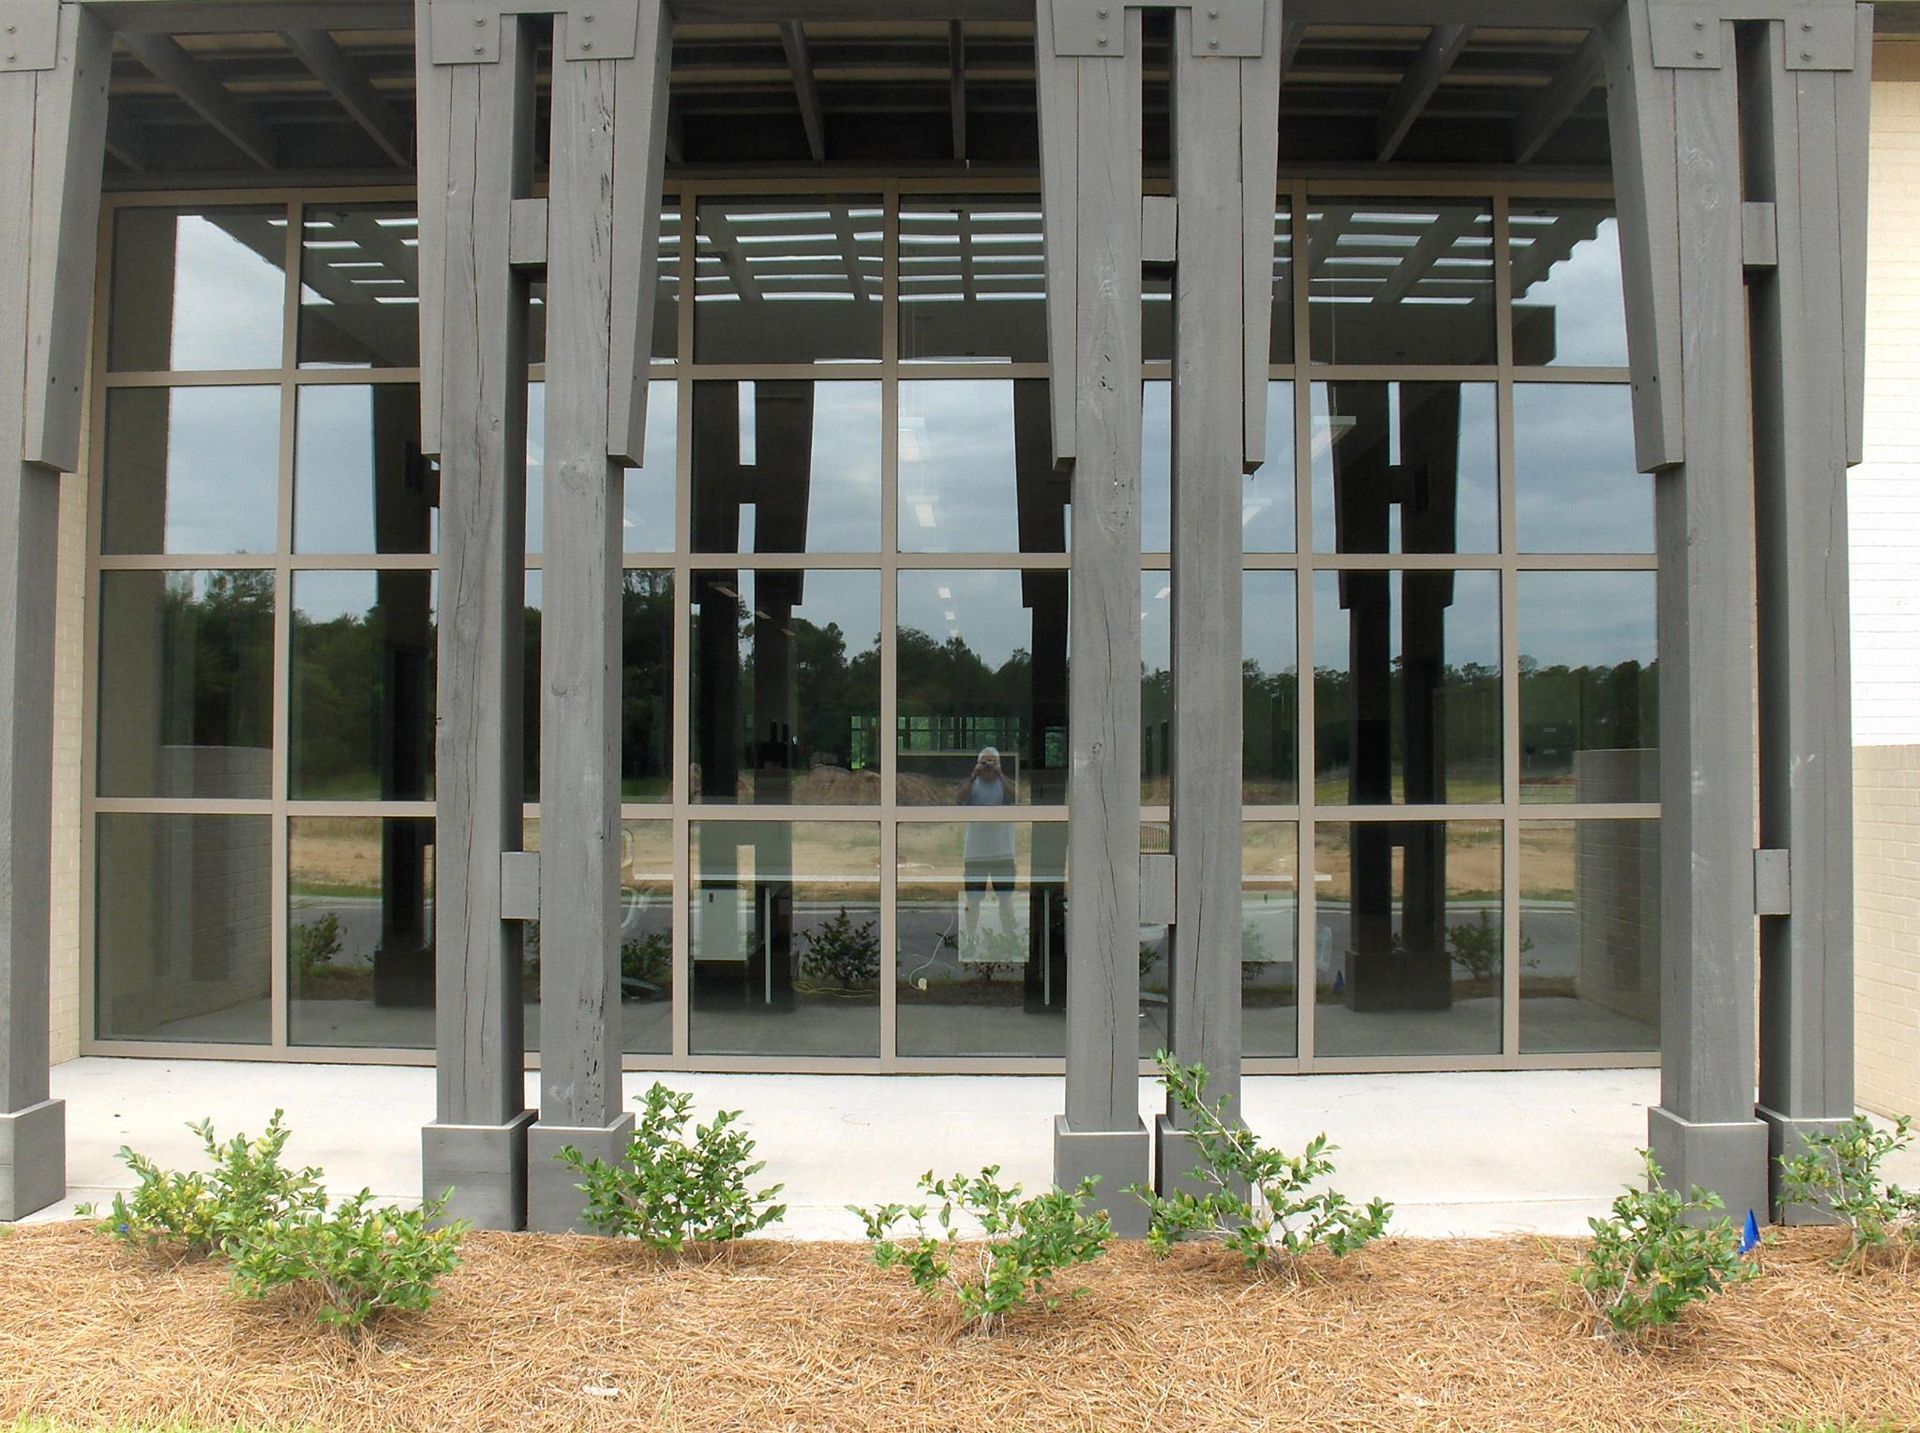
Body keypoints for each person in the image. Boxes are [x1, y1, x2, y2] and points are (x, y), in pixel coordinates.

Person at [956, 748, 1019, 957]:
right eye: (985, 762)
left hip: (1003, 852)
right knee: (972, 899)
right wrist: (975, 774)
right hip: (975, 853)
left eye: (993, 762)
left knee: (1006, 900)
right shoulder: (972, 784)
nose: (989, 766)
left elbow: (1017, 797)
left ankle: (1010, 940)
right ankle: (970, 939)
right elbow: (958, 799)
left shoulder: (1004, 784)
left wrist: (1000, 774)